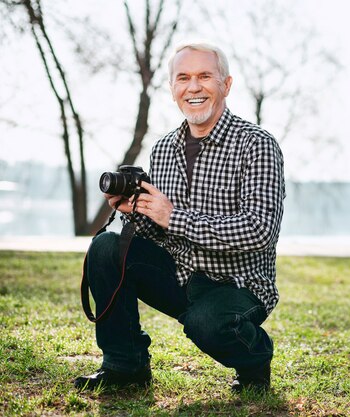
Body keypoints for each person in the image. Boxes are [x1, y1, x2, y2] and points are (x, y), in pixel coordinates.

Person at [74, 42, 285, 393]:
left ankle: (255, 360)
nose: (194, 86)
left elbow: (259, 229)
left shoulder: (256, 143)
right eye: (183, 78)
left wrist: (175, 217)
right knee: (107, 247)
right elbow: (161, 232)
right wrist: (136, 212)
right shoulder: (163, 149)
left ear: (226, 85)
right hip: (180, 274)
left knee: (208, 324)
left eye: (205, 76)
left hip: (237, 284)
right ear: (173, 89)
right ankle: (126, 365)